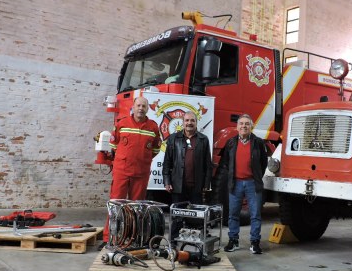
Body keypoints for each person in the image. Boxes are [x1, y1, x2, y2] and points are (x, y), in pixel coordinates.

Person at [102, 96, 161, 242]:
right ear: (133, 107)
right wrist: (124, 159)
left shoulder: (153, 127)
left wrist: (142, 159)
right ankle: (109, 238)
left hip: (141, 173)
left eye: (144, 106)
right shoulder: (122, 124)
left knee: (137, 208)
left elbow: (155, 149)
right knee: (115, 205)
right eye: (138, 105)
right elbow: (114, 145)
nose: (141, 108)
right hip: (122, 171)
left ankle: (133, 238)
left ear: (147, 109)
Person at [219, 114, 268, 254]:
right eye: (241, 123)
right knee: (233, 214)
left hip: (253, 183)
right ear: (237, 126)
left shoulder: (258, 143)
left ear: (251, 126)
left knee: (255, 214)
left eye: (247, 124)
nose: (244, 126)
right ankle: (233, 241)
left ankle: (255, 243)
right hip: (236, 183)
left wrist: (256, 176)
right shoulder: (231, 143)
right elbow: (226, 163)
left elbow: (263, 163)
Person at [162, 111, 213, 243]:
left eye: (192, 120)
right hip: (178, 185)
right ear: (183, 122)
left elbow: (208, 164)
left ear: (196, 123)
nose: (189, 123)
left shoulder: (203, 139)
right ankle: (173, 242)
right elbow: (167, 162)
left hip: (197, 186)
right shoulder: (173, 138)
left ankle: (197, 242)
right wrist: (167, 181)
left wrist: (207, 184)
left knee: (197, 217)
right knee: (177, 216)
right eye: (187, 120)